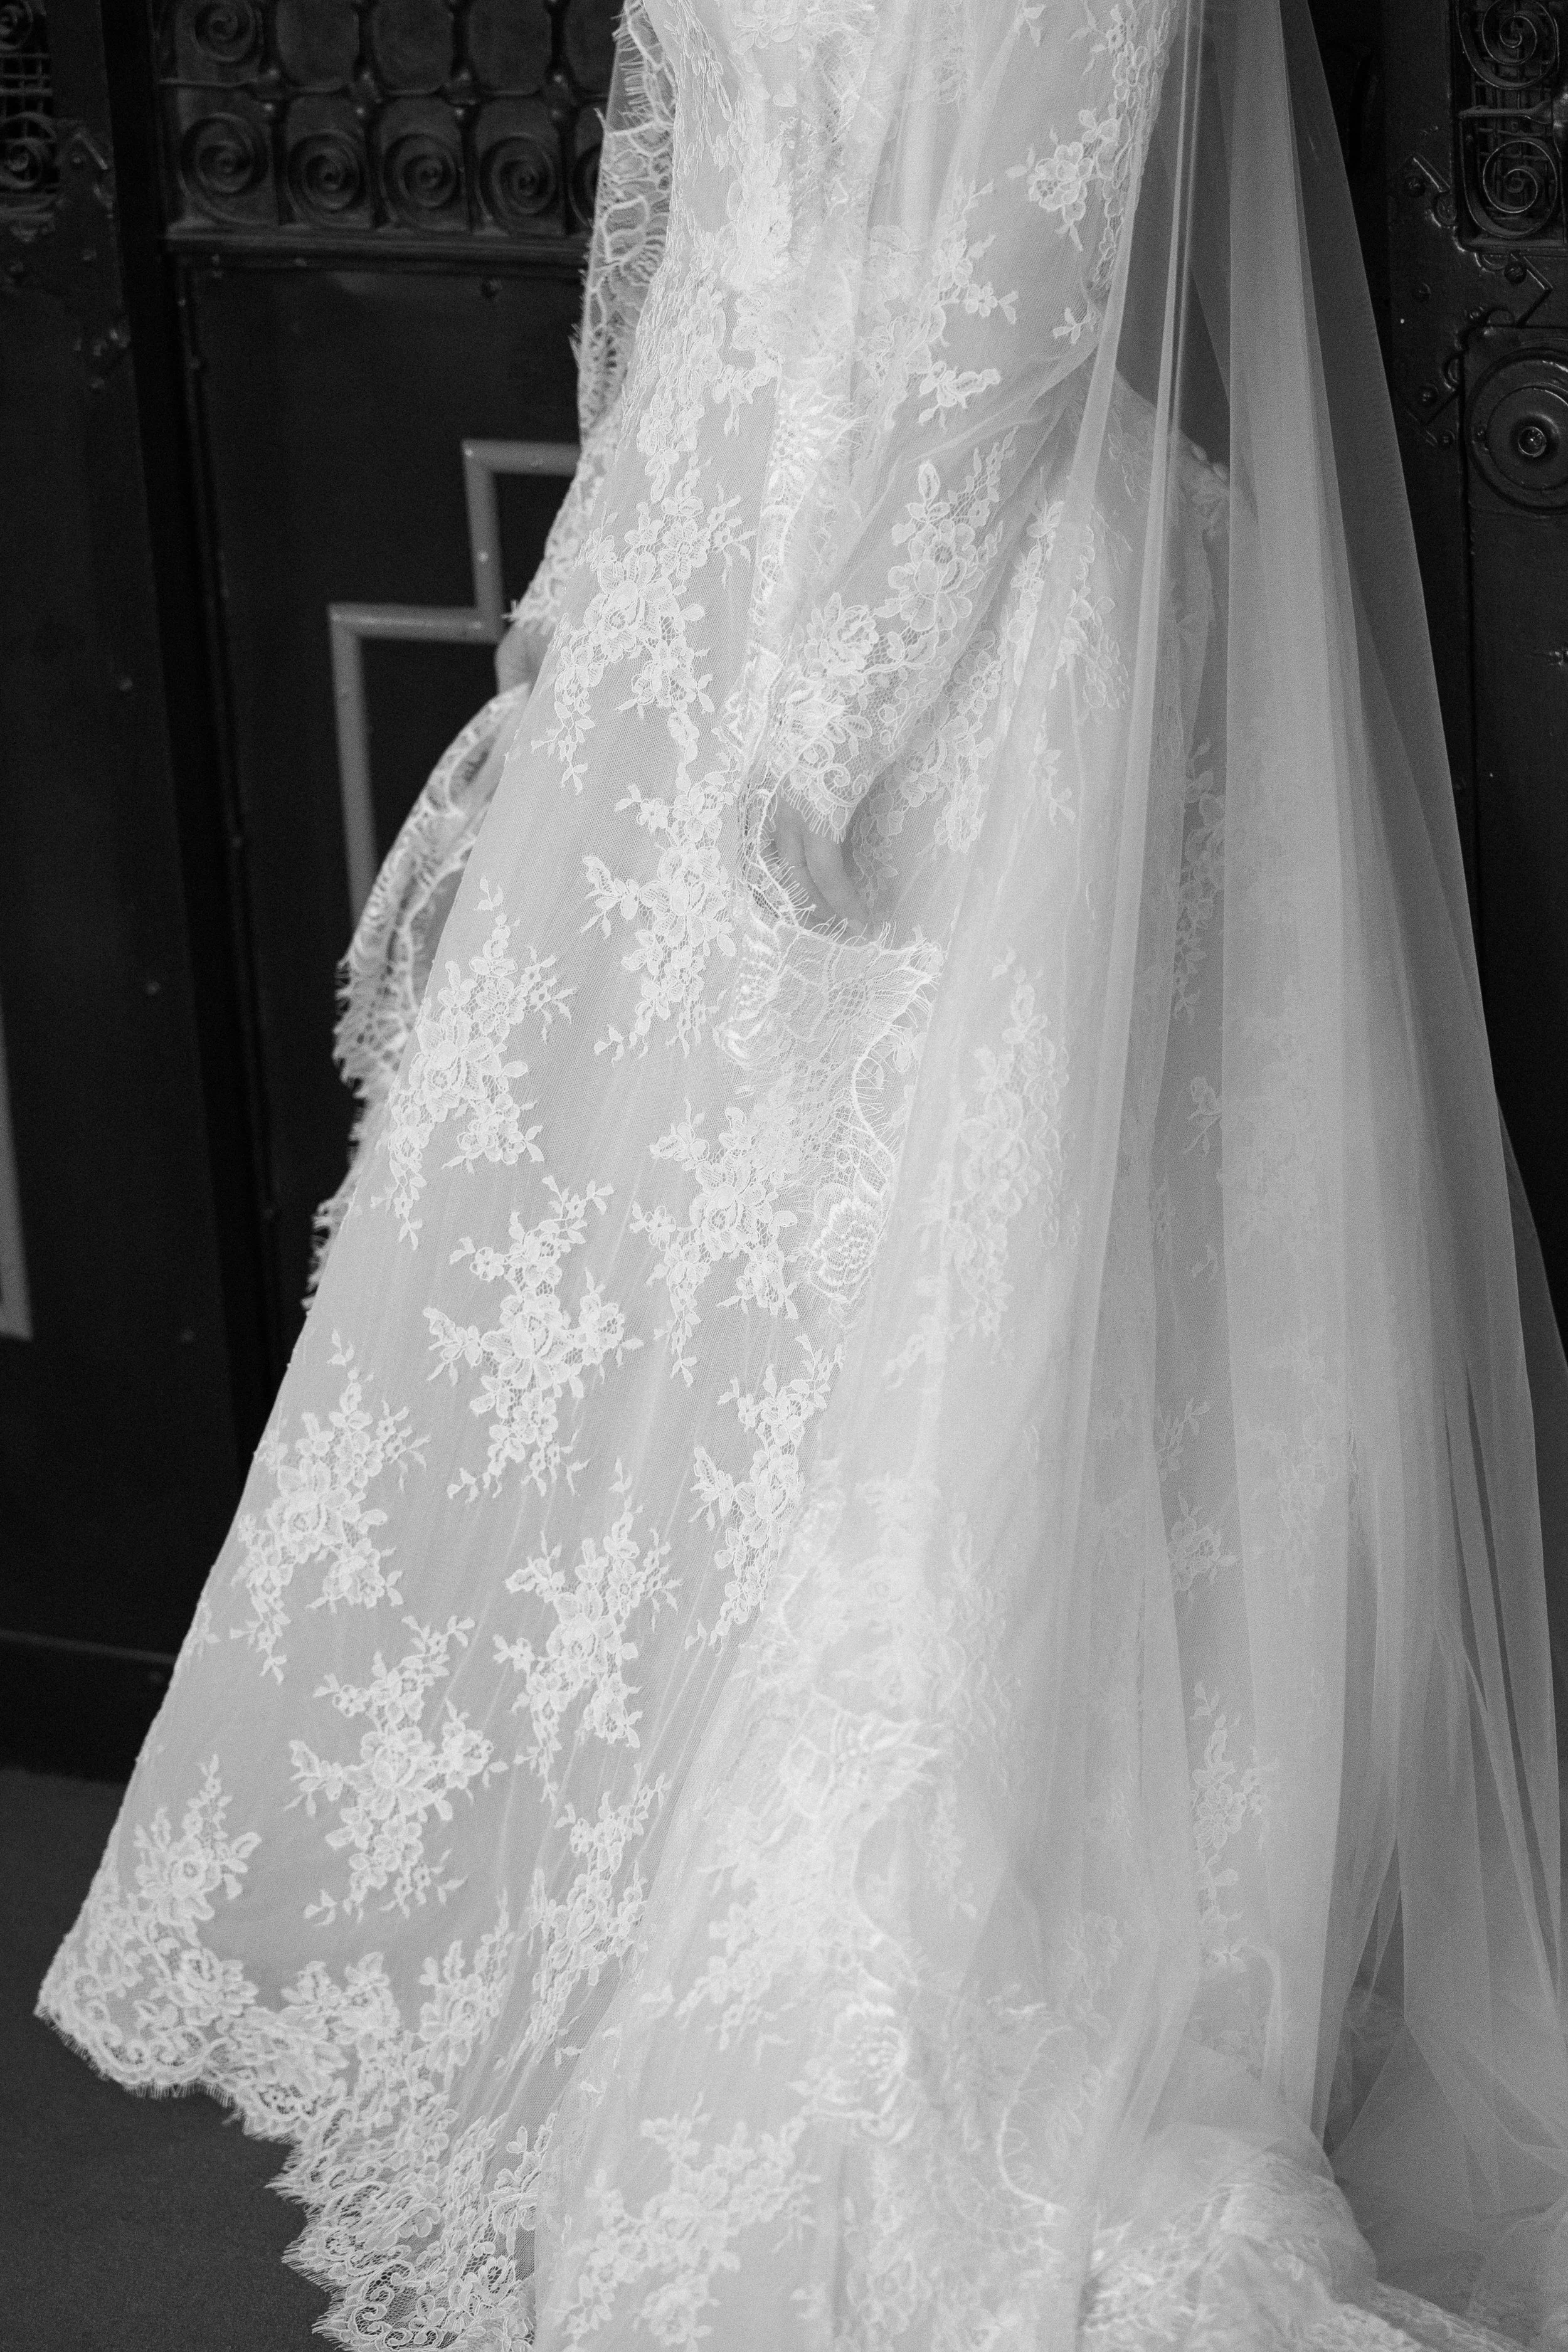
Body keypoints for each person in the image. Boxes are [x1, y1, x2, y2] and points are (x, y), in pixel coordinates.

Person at [40, 1, 1568, 2343]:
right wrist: (582, 654)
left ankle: (919, 1935)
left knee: (956, 1354)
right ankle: (627, 1908)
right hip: (716, 577)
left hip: (973, 639)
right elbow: (665, 242)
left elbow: (1025, 305)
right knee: (696, 1326)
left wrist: (835, 705)